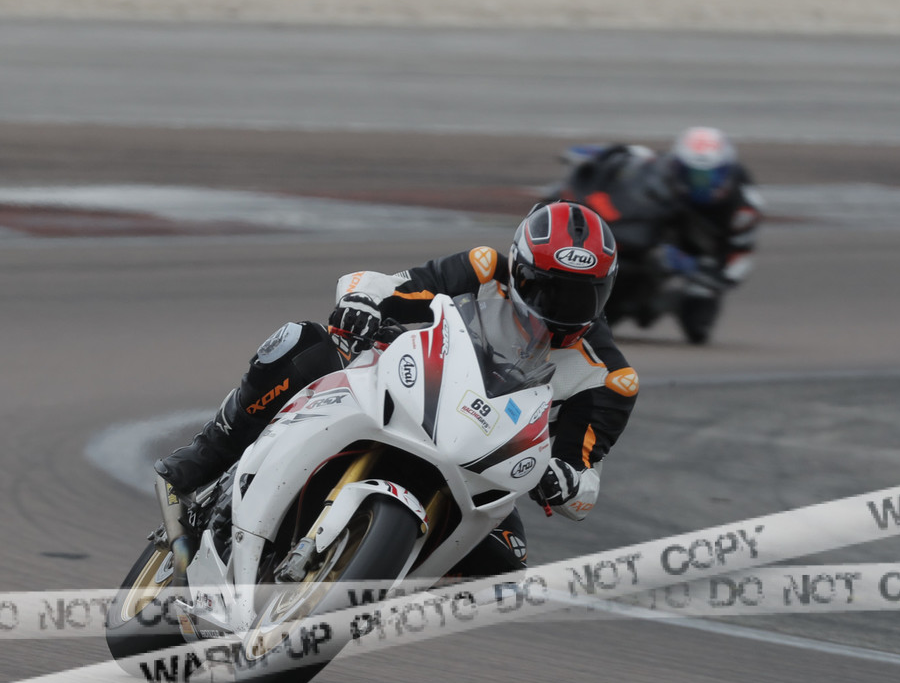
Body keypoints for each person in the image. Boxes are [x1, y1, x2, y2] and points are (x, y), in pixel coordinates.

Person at [154, 201, 638, 578]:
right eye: (546, 288)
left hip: (478, 466)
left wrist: (566, 481)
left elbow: (583, 481)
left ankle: (362, 584)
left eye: (581, 296)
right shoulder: (482, 269)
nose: (559, 309)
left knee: (507, 564)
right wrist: (363, 302)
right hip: (411, 392)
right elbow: (386, 284)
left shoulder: (609, 377)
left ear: (607, 293)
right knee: (301, 345)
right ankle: (204, 456)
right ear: (518, 269)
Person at [556, 126, 760, 344]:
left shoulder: (744, 207)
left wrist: (693, 267)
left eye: (710, 175)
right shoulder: (660, 169)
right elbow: (631, 152)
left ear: (727, 170)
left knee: (699, 324)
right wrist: (598, 155)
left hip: (701, 260)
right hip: (647, 242)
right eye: (693, 174)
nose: (701, 182)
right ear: (678, 165)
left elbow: (740, 257)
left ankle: (673, 300)